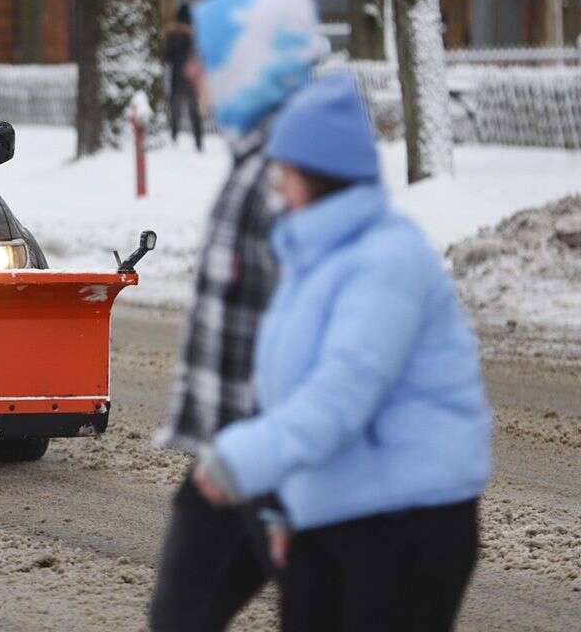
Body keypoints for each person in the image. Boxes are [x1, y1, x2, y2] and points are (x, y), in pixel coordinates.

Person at [192, 72, 491, 632]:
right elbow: (291, 393)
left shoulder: (386, 259)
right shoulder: (310, 257)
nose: (274, 184)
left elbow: (342, 395)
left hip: (407, 525)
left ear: (319, 172)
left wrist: (243, 461)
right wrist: (287, 504)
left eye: (284, 169)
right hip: (332, 518)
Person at [149, 0, 330, 632]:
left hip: (283, 471)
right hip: (226, 468)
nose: (192, 68)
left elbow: (329, 348)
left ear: (250, 64)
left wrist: (291, 498)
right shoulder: (256, 160)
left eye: (208, 54)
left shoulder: (293, 176)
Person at [163, 2, 203, 152]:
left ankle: (174, 141)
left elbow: (166, 57)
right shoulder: (194, 35)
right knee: (195, 113)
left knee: (175, 113)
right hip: (191, 79)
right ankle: (199, 143)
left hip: (176, 78)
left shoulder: (172, 35)